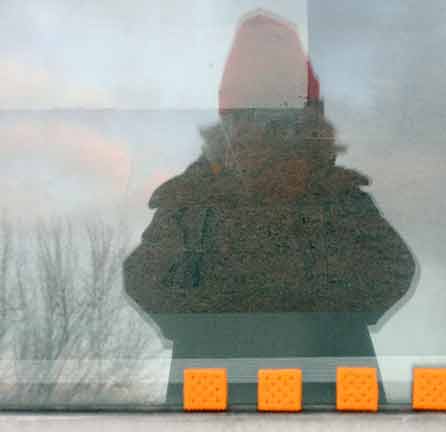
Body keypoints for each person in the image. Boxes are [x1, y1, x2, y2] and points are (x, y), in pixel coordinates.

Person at [123, 10, 416, 408]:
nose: (269, 138)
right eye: (254, 121)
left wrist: (233, 301)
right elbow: (143, 279)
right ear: (230, 129)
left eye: (283, 123)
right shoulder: (196, 200)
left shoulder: (335, 199)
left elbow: (393, 270)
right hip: (220, 402)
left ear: (308, 127)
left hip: (329, 403)